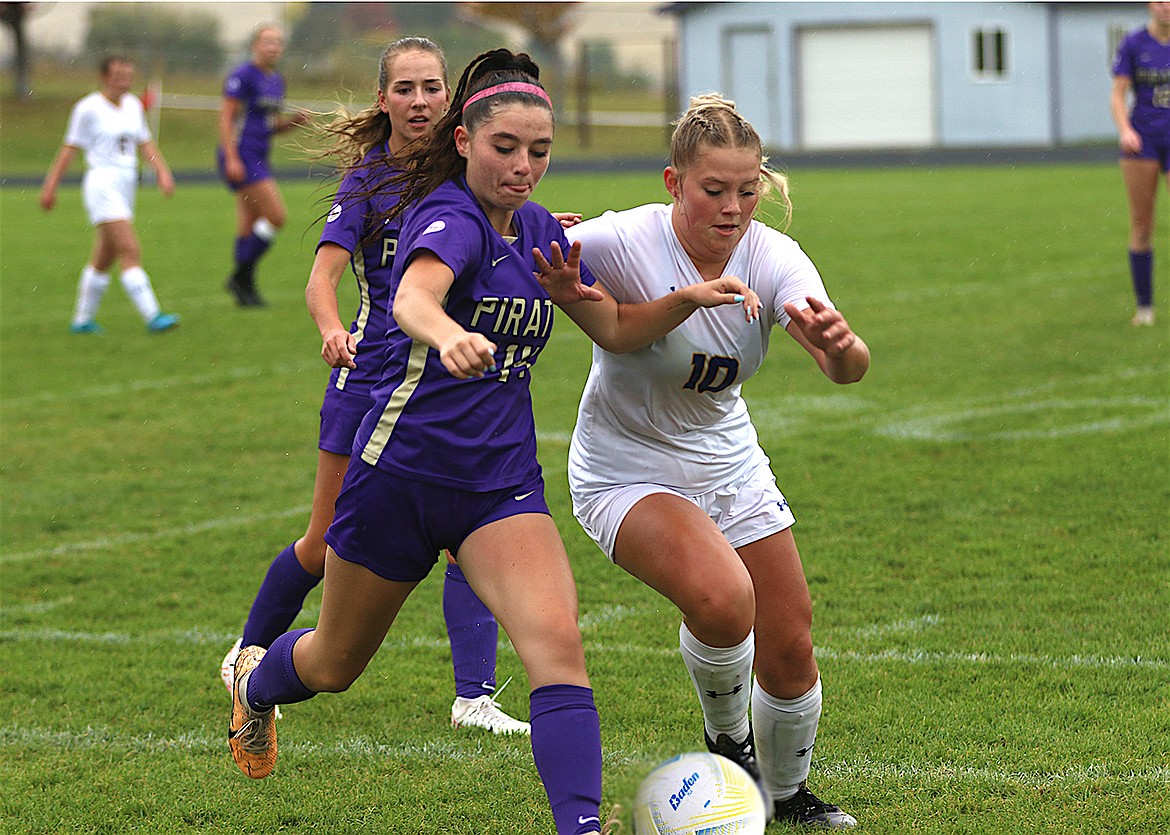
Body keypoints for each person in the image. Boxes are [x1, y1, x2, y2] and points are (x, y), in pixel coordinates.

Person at [225, 49, 756, 835]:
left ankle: (577, 826)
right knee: (333, 664)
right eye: (505, 147)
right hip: (396, 480)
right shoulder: (448, 218)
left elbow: (609, 323)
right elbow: (413, 297)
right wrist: (445, 335)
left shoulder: (540, 230)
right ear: (465, 140)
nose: (522, 165)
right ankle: (256, 690)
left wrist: (683, 299)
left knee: (557, 647)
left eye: (538, 151)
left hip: (499, 488)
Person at [562, 94, 869, 829]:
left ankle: (787, 795)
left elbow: (847, 369)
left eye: (747, 189)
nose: (733, 207)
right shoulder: (627, 239)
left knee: (791, 645)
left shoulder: (774, 256)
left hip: (729, 463)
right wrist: (546, 237)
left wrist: (840, 344)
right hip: (624, 467)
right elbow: (523, 244)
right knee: (728, 600)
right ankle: (728, 742)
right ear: (674, 182)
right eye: (714, 190)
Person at [219, 36, 529, 736]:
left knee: (466, 534)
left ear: (448, 98)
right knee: (323, 543)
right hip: (368, 383)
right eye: (405, 88)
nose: (419, 101)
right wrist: (333, 330)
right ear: (382, 98)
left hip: (442, 386)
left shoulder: (469, 169)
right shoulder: (368, 180)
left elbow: (506, 236)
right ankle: (246, 656)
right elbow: (320, 278)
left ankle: (473, 698)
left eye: (431, 88)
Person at [40, 55, 181, 335]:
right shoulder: (87, 108)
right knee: (129, 249)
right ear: (104, 77)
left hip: (126, 184)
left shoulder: (132, 105)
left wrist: (162, 172)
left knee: (104, 257)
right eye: (117, 76)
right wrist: (50, 186)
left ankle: (82, 321)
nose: (123, 81)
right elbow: (69, 150)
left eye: (128, 76)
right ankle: (153, 315)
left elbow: (145, 142)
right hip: (102, 183)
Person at [217, 23, 309, 307]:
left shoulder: (276, 80)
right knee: (276, 216)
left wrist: (292, 123)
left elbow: (269, 126)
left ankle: (244, 287)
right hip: (242, 155)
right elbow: (226, 118)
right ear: (255, 45)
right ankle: (239, 277)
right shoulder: (243, 75)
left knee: (248, 224)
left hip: (259, 154)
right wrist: (231, 157)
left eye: (278, 42)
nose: (273, 47)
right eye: (267, 41)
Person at [1111, 1, 1170, 327]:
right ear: (1150, 5)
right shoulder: (1134, 43)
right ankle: (1144, 308)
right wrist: (1125, 129)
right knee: (1143, 225)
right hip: (1143, 139)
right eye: (1160, 1)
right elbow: (1118, 94)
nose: (1166, 8)